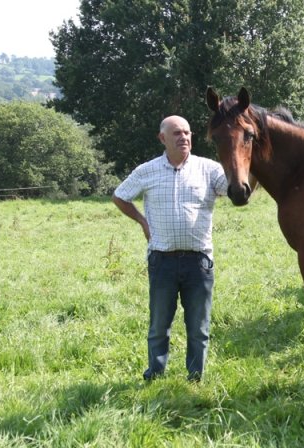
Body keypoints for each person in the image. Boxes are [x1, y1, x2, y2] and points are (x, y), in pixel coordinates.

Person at [112, 115, 228, 382]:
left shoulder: (209, 169)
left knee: (198, 327)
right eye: (177, 133)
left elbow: (235, 190)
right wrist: (142, 221)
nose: (184, 137)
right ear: (162, 138)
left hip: (199, 262)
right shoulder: (147, 170)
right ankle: (155, 375)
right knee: (159, 325)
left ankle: (195, 378)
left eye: (187, 132)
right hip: (162, 260)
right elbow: (119, 196)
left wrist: (251, 165)